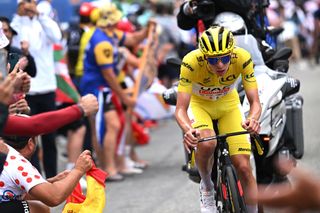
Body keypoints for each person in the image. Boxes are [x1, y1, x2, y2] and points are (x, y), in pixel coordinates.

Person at [175, 26, 261, 213]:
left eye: (224, 58)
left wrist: (253, 119)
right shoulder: (190, 62)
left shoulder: (242, 57)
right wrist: (188, 129)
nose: (220, 64)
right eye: (213, 60)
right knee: (207, 142)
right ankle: (206, 187)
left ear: (232, 53)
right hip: (200, 106)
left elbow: (255, 102)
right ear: (205, 57)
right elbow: (181, 109)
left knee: (244, 167)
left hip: (228, 105)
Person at [79, 2, 152, 181]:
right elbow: (109, 75)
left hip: (103, 88)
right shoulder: (101, 42)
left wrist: (148, 28)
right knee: (102, 128)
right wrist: (125, 97)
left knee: (113, 125)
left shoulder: (109, 33)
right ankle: (106, 168)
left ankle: (110, 166)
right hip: (95, 89)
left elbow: (133, 39)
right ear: (110, 22)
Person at [10, 0, 62, 178]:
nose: (28, 5)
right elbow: (13, 42)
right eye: (24, 2)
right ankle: (36, 180)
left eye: (31, 1)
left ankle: (53, 177)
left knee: (50, 139)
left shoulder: (44, 22)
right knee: (30, 140)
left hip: (47, 87)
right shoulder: (16, 24)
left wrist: (39, 15)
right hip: (28, 90)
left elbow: (57, 36)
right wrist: (19, 15)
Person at [0, 135, 93, 212]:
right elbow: (54, 197)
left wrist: (48, 183)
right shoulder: (17, 162)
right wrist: (78, 170)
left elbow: (16, 194)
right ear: (30, 143)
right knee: (39, 209)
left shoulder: (5, 152)